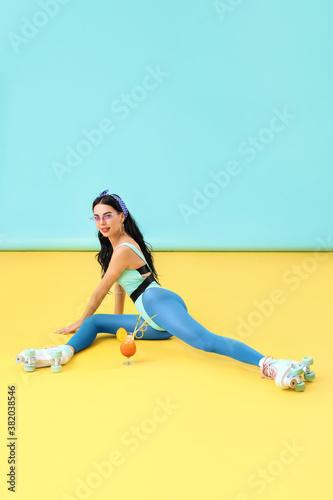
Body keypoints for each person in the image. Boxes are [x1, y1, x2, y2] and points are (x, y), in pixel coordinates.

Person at [15, 190, 315, 391]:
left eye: (107, 215)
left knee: (204, 342)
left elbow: (101, 290)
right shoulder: (114, 247)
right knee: (97, 324)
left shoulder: (123, 249)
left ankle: (272, 364)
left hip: (158, 301)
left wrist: (79, 319)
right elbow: (119, 289)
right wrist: (120, 326)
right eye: (96, 217)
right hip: (150, 317)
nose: (101, 222)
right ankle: (61, 353)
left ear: (122, 215)